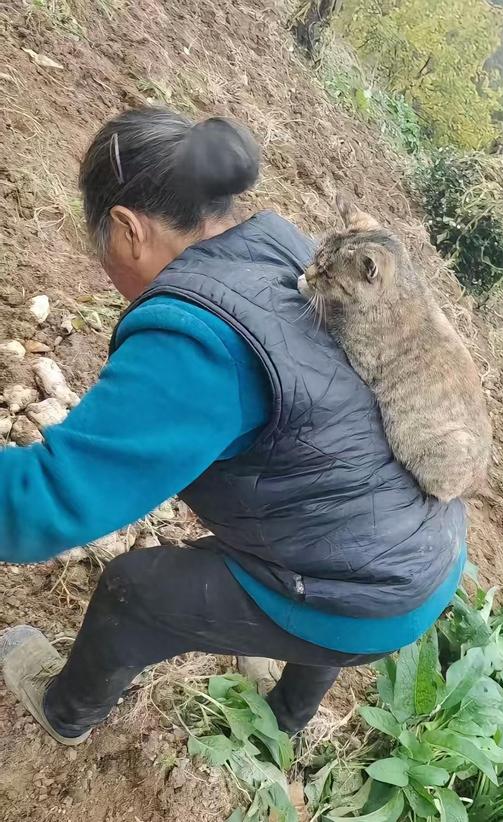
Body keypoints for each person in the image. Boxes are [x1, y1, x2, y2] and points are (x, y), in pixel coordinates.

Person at [0, 107, 466, 746]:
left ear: (127, 229)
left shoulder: (195, 340)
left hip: (364, 598)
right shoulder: (280, 247)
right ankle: (288, 719)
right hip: (425, 554)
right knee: (331, 536)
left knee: (134, 590)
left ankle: (64, 711)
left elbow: (36, 508)